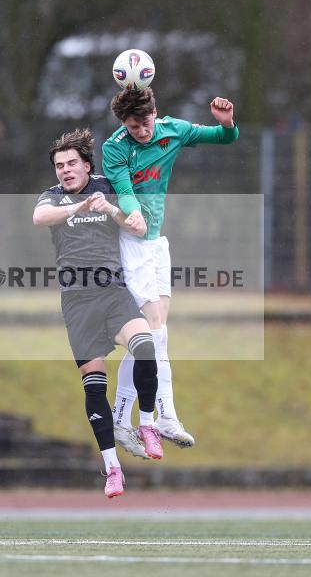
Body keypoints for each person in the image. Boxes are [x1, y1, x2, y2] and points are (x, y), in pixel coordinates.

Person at [102, 86, 239, 454]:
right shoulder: (114, 147)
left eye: (145, 123)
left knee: (150, 335)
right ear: (123, 124)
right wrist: (131, 212)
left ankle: (121, 417)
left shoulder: (173, 130)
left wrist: (227, 124)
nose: (142, 132)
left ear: (155, 112)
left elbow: (223, 138)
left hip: (158, 244)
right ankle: (163, 414)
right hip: (133, 244)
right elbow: (123, 187)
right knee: (154, 333)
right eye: (134, 127)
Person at [34, 129, 163, 498]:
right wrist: (77, 207)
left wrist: (112, 210)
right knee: (94, 386)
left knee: (145, 346)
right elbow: (39, 217)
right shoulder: (53, 198)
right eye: (59, 166)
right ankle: (111, 468)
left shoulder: (108, 187)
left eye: (72, 163)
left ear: (88, 165)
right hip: (78, 303)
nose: (65, 170)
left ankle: (148, 423)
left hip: (113, 294)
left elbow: (139, 224)